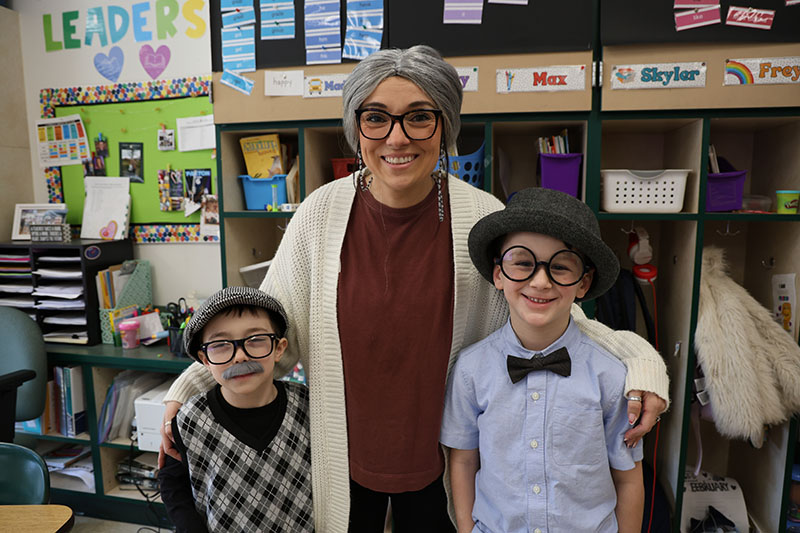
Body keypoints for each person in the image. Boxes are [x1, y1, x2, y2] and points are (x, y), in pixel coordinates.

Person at [159, 45, 669, 532]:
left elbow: (555, 316)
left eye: (419, 116)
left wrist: (643, 366)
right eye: (376, 117)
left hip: (449, 464)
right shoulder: (320, 214)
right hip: (343, 461)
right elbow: (265, 326)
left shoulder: (483, 217)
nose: (397, 137)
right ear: (356, 129)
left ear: (445, 126)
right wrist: (189, 388)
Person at [441, 187, 644, 532]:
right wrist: (466, 527)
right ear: (498, 274)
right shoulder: (470, 370)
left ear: (584, 282)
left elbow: (627, 479)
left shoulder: (611, 375)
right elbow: (462, 460)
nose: (540, 281)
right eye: (522, 262)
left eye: (561, 267)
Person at [158, 286, 313, 533]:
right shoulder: (190, 419)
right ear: (205, 359)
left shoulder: (307, 407)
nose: (240, 356)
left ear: (279, 348)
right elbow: (173, 482)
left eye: (255, 340)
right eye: (221, 345)